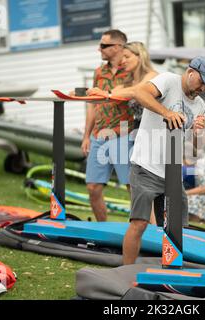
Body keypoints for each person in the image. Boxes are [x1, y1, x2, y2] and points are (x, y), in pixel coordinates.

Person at [121, 56, 205, 265]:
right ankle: (125, 273)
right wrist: (166, 112)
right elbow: (139, 92)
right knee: (139, 224)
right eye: (202, 81)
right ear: (190, 71)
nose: (203, 88)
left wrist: (198, 132)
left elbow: (197, 148)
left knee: (177, 228)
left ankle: (170, 270)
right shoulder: (167, 80)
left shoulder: (200, 104)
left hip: (172, 173)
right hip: (146, 166)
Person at [87, 41, 159, 223]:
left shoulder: (152, 76)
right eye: (123, 57)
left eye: (127, 57)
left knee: (146, 186)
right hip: (138, 134)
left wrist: (107, 94)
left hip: (155, 134)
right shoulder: (128, 80)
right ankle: (147, 228)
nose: (123, 61)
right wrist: (96, 92)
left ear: (140, 56)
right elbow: (115, 92)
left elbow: (135, 92)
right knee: (137, 185)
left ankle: (156, 229)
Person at [81, 29, 133, 222]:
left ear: (118, 47)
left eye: (104, 45)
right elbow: (93, 104)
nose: (99, 49)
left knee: (132, 187)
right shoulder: (99, 72)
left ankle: (141, 230)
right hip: (99, 136)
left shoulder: (131, 71)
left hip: (124, 134)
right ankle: (104, 231)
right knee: (93, 187)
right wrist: (86, 136)